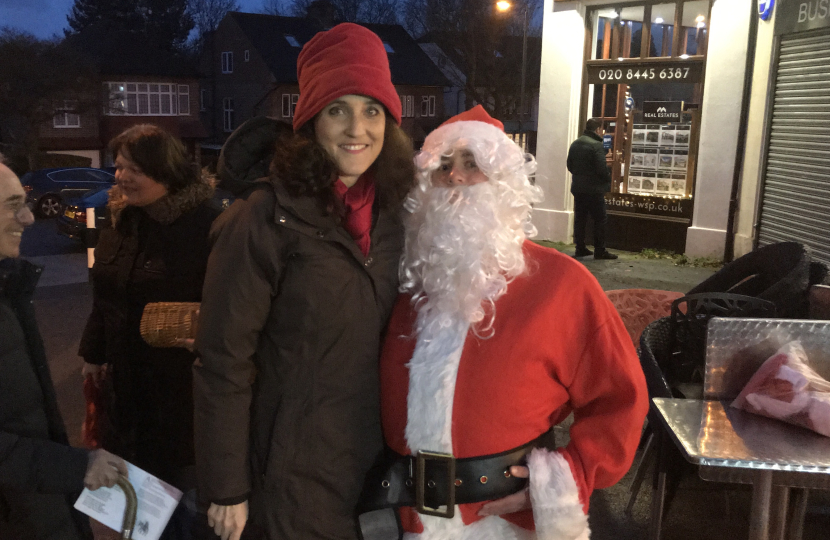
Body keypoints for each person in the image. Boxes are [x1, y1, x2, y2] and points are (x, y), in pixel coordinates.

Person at [368, 106, 648, 539]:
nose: (455, 177)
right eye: (443, 166)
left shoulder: (562, 283)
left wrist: (564, 477)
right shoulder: (408, 282)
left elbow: (620, 400)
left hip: (503, 524)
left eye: (472, 163)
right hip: (406, 521)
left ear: (504, 182)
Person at [193, 23, 415, 540]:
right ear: (311, 119)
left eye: (372, 110)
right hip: (292, 475)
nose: (357, 128)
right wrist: (227, 488)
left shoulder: (398, 215)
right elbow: (222, 361)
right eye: (338, 109)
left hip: (376, 470)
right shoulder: (263, 217)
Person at [78, 125, 221, 537]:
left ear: (166, 171)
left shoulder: (206, 225)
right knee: (137, 515)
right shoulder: (121, 219)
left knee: (184, 510)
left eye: (134, 170)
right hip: (126, 392)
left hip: (181, 395)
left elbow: (233, 302)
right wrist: (93, 354)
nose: (121, 177)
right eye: (119, 166)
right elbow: (105, 294)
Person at [0, 161, 128, 540]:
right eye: (11, 205)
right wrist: (72, 467)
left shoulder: (8, 286)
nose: (28, 218)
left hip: (33, 508)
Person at [567, 118, 617, 260]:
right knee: (600, 219)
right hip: (594, 189)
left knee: (580, 219)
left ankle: (580, 248)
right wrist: (607, 179)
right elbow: (601, 169)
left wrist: (580, 176)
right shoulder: (596, 145)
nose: (602, 132)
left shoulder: (575, 143)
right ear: (597, 129)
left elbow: (569, 165)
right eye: (601, 130)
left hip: (578, 188)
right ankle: (600, 250)